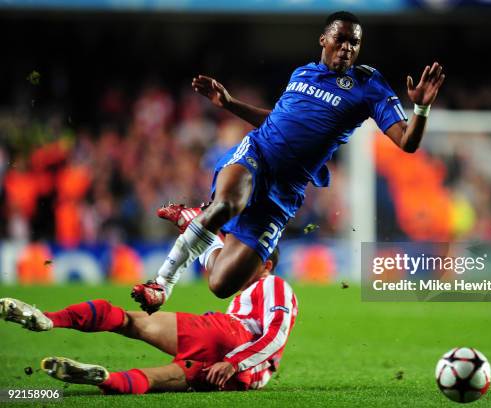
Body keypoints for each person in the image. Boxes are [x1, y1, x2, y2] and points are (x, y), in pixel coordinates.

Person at [133, 10, 445, 312]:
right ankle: (162, 283)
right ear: (324, 39)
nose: (347, 47)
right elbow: (278, 120)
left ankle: (192, 221)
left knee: (221, 283)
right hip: (257, 154)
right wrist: (229, 104)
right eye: (342, 39)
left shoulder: (368, 86)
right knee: (228, 204)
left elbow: (407, 142)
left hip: (285, 192)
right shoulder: (302, 73)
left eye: (355, 43)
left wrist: (420, 109)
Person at [0, 243, 297, 394]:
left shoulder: (273, 284)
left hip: (230, 342)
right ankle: (107, 379)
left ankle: (49, 318)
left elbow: (276, 335)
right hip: (238, 379)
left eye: (247, 259)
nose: (238, 262)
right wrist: (233, 367)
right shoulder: (247, 289)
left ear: (267, 264)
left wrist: (232, 361)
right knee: (154, 380)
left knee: (131, 322)